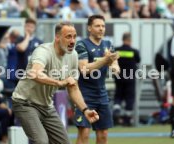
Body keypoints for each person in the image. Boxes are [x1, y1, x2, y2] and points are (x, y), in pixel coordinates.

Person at [12, 22, 99, 144]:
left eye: (74, 36)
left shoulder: (73, 55)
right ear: (57, 37)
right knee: (41, 141)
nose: (73, 41)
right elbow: (35, 73)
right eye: (68, 36)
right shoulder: (43, 51)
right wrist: (59, 83)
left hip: (46, 106)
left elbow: (73, 88)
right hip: (25, 103)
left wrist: (85, 110)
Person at [74, 15, 119, 144]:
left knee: (103, 134)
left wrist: (113, 65)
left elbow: (116, 67)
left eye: (103, 26)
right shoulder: (81, 45)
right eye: (97, 26)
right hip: (84, 95)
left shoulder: (108, 45)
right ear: (89, 28)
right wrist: (105, 60)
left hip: (102, 95)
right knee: (84, 134)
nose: (101, 29)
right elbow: (84, 69)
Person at [113, 32, 141, 126]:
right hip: (130, 77)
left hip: (119, 77)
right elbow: (138, 60)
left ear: (122, 39)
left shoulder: (117, 50)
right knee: (129, 98)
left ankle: (116, 111)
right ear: (130, 40)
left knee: (118, 95)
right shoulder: (134, 51)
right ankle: (127, 120)